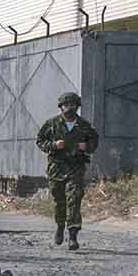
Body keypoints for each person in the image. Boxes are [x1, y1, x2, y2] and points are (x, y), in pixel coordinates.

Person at [35, 90, 98, 249]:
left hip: (75, 168)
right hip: (56, 169)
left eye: (73, 105)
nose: (70, 108)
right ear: (60, 107)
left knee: (74, 200)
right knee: (59, 201)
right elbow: (40, 141)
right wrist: (53, 145)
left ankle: (73, 236)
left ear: (77, 106)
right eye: (66, 105)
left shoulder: (83, 125)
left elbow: (94, 141)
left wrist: (87, 146)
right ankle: (60, 227)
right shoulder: (52, 124)